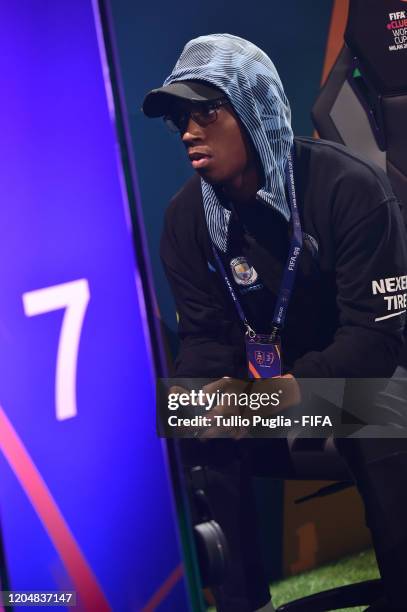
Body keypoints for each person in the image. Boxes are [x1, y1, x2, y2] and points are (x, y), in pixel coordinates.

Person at [142, 34, 407, 611]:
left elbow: (376, 341)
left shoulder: (350, 189)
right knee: (175, 413)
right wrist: (203, 391)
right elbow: (207, 337)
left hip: (351, 382)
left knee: (391, 406)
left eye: (206, 112)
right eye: (182, 118)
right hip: (264, 396)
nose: (189, 131)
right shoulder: (185, 219)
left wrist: (293, 389)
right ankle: (242, 604)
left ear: (255, 109)